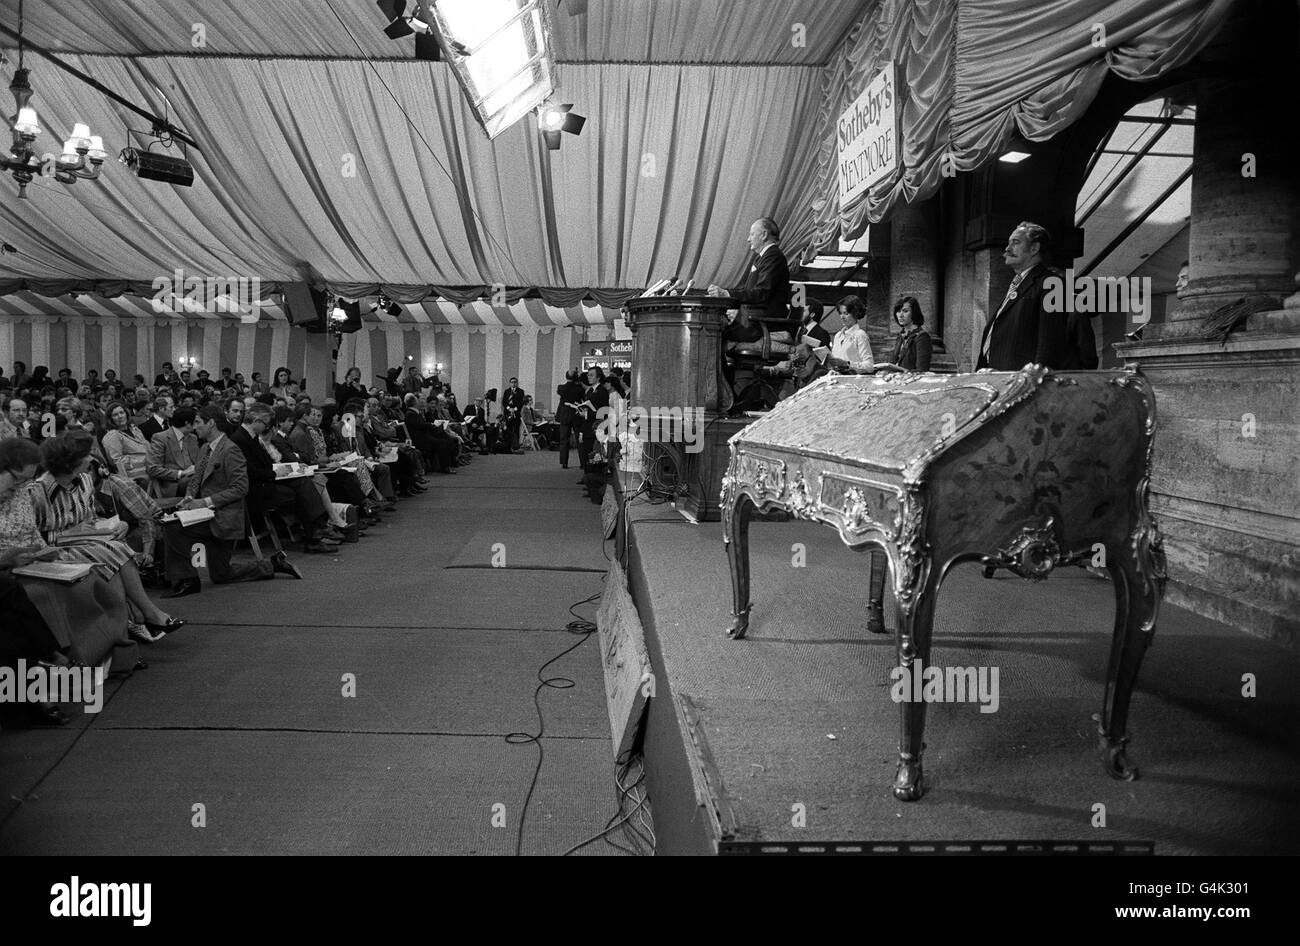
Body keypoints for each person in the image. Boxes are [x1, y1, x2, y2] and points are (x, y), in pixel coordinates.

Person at [24, 431, 184, 639]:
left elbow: (90, 518)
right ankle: (142, 618)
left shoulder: (84, 481)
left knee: (116, 549)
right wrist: (71, 534)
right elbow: (31, 537)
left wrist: (120, 525)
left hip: (86, 543)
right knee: (115, 551)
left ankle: (130, 627)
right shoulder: (37, 491)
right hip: (53, 550)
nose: (92, 459)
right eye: (86, 454)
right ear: (69, 462)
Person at [159, 405, 301, 596]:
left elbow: (240, 488)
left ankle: (187, 580)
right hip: (209, 513)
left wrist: (205, 502)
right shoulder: (205, 448)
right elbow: (196, 480)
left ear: (211, 423)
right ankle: (272, 564)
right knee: (221, 574)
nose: (195, 427)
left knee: (174, 528)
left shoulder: (230, 450)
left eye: (198, 423)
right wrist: (189, 498)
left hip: (223, 516)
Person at [976, 221, 1097, 371]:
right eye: (1009, 243)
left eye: (1015, 243)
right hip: (996, 377)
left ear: (1034, 248)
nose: (1007, 249)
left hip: (1023, 383)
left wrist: (1037, 380)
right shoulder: (1017, 283)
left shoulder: (1051, 283)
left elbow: (1049, 343)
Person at [230, 402, 340, 553]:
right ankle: (316, 530)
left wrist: (282, 470)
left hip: (263, 480)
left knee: (302, 482)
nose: (268, 427)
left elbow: (264, 464)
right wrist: (276, 473)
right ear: (256, 421)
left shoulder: (250, 436)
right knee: (301, 487)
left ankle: (316, 531)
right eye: (266, 424)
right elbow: (250, 471)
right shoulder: (240, 439)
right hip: (254, 488)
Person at [708, 217, 791, 344]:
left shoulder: (773, 256)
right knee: (713, 329)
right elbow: (752, 293)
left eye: (752, 234)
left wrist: (726, 294)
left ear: (764, 235)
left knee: (712, 333)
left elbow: (762, 293)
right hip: (754, 319)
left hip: (762, 323)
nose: (748, 239)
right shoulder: (762, 258)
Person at [146, 406, 201, 499]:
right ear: (187, 423)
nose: (198, 425)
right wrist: (182, 473)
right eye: (196, 422)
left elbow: (198, 462)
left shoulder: (193, 438)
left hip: (193, 477)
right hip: (172, 484)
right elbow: (152, 469)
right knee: (198, 481)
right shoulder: (160, 438)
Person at [100, 401, 152, 488]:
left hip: (150, 467)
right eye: (115, 415)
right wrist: (143, 459)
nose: (120, 416)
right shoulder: (113, 435)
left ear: (126, 414)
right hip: (134, 476)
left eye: (121, 412)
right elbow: (117, 461)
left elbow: (147, 447)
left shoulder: (134, 429)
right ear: (110, 419)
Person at [827, 295, 875, 372]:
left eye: (846, 313)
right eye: (840, 313)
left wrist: (848, 364)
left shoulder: (860, 335)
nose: (842, 317)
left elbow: (869, 366)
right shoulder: (838, 336)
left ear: (855, 313)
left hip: (853, 379)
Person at [888, 296, 933, 371]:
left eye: (905, 311)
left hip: (912, 381)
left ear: (914, 313)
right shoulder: (900, 336)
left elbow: (922, 370)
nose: (900, 315)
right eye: (898, 311)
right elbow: (894, 362)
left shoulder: (922, 337)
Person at [554, 369, 586, 470]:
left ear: (566, 376)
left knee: (564, 440)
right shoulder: (579, 388)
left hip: (564, 415)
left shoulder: (561, 388)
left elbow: (562, 393)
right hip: (576, 414)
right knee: (579, 440)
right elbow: (582, 397)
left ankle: (564, 463)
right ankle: (582, 462)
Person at [501, 377, 527, 452]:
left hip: (516, 413)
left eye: (515, 382)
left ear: (517, 383)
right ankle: (507, 445)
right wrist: (509, 408)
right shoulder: (507, 391)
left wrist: (515, 409)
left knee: (516, 429)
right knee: (508, 429)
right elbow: (504, 402)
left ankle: (516, 446)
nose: (513, 383)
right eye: (512, 382)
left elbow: (521, 402)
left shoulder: (521, 391)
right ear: (510, 383)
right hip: (508, 413)